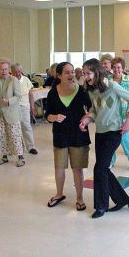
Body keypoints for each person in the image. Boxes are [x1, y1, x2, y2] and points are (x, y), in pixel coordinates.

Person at [80, 58, 129, 219]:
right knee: (103, 168)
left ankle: (101, 206)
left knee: (99, 169)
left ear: (97, 72)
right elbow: (95, 111)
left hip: (114, 132)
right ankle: (123, 199)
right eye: (84, 74)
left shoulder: (112, 86)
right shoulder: (92, 91)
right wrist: (87, 119)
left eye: (88, 73)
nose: (86, 77)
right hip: (100, 132)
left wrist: (128, 121)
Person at [45, 62, 92, 211]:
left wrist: (87, 117)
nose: (71, 75)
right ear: (59, 75)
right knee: (59, 167)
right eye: (67, 72)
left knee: (77, 168)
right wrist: (54, 117)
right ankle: (59, 194)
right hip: (60, 135)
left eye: (72, 72)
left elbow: (91, 107)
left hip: (78, 135)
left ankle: (79, 198)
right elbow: (47, 115)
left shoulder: (81, 90)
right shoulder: (53, 92)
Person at [0, 58, 25, 167]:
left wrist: (9, 101)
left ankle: (21, 157)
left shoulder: (14, 80)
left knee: (15, 135)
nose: (4, 71)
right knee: (1, 135)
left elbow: (18, 97)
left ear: (8, 69)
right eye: (1, 69)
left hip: (11, 112)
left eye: (6, 69)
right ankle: (4, 157)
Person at [109, 57, 129, 172]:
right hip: (111, 115)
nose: (116, 70)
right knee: (111, 142)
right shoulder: (108, 80)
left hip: (124, 114)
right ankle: (111, 161)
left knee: (126, 140)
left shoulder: (128, 80)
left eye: (119, 67)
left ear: (123, 68)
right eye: (114, 67)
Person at [11, 63, 38, 154]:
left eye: (19, 71)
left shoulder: (26, 80)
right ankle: (17, 147)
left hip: (25, 106)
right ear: (12, 72)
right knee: (15, 128)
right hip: (13, 107)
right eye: (15, 71)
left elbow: (30, 94)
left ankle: (31, 147)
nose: (18, 73)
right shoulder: (10, 80)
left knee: (26, 126)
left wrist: (32, 106)